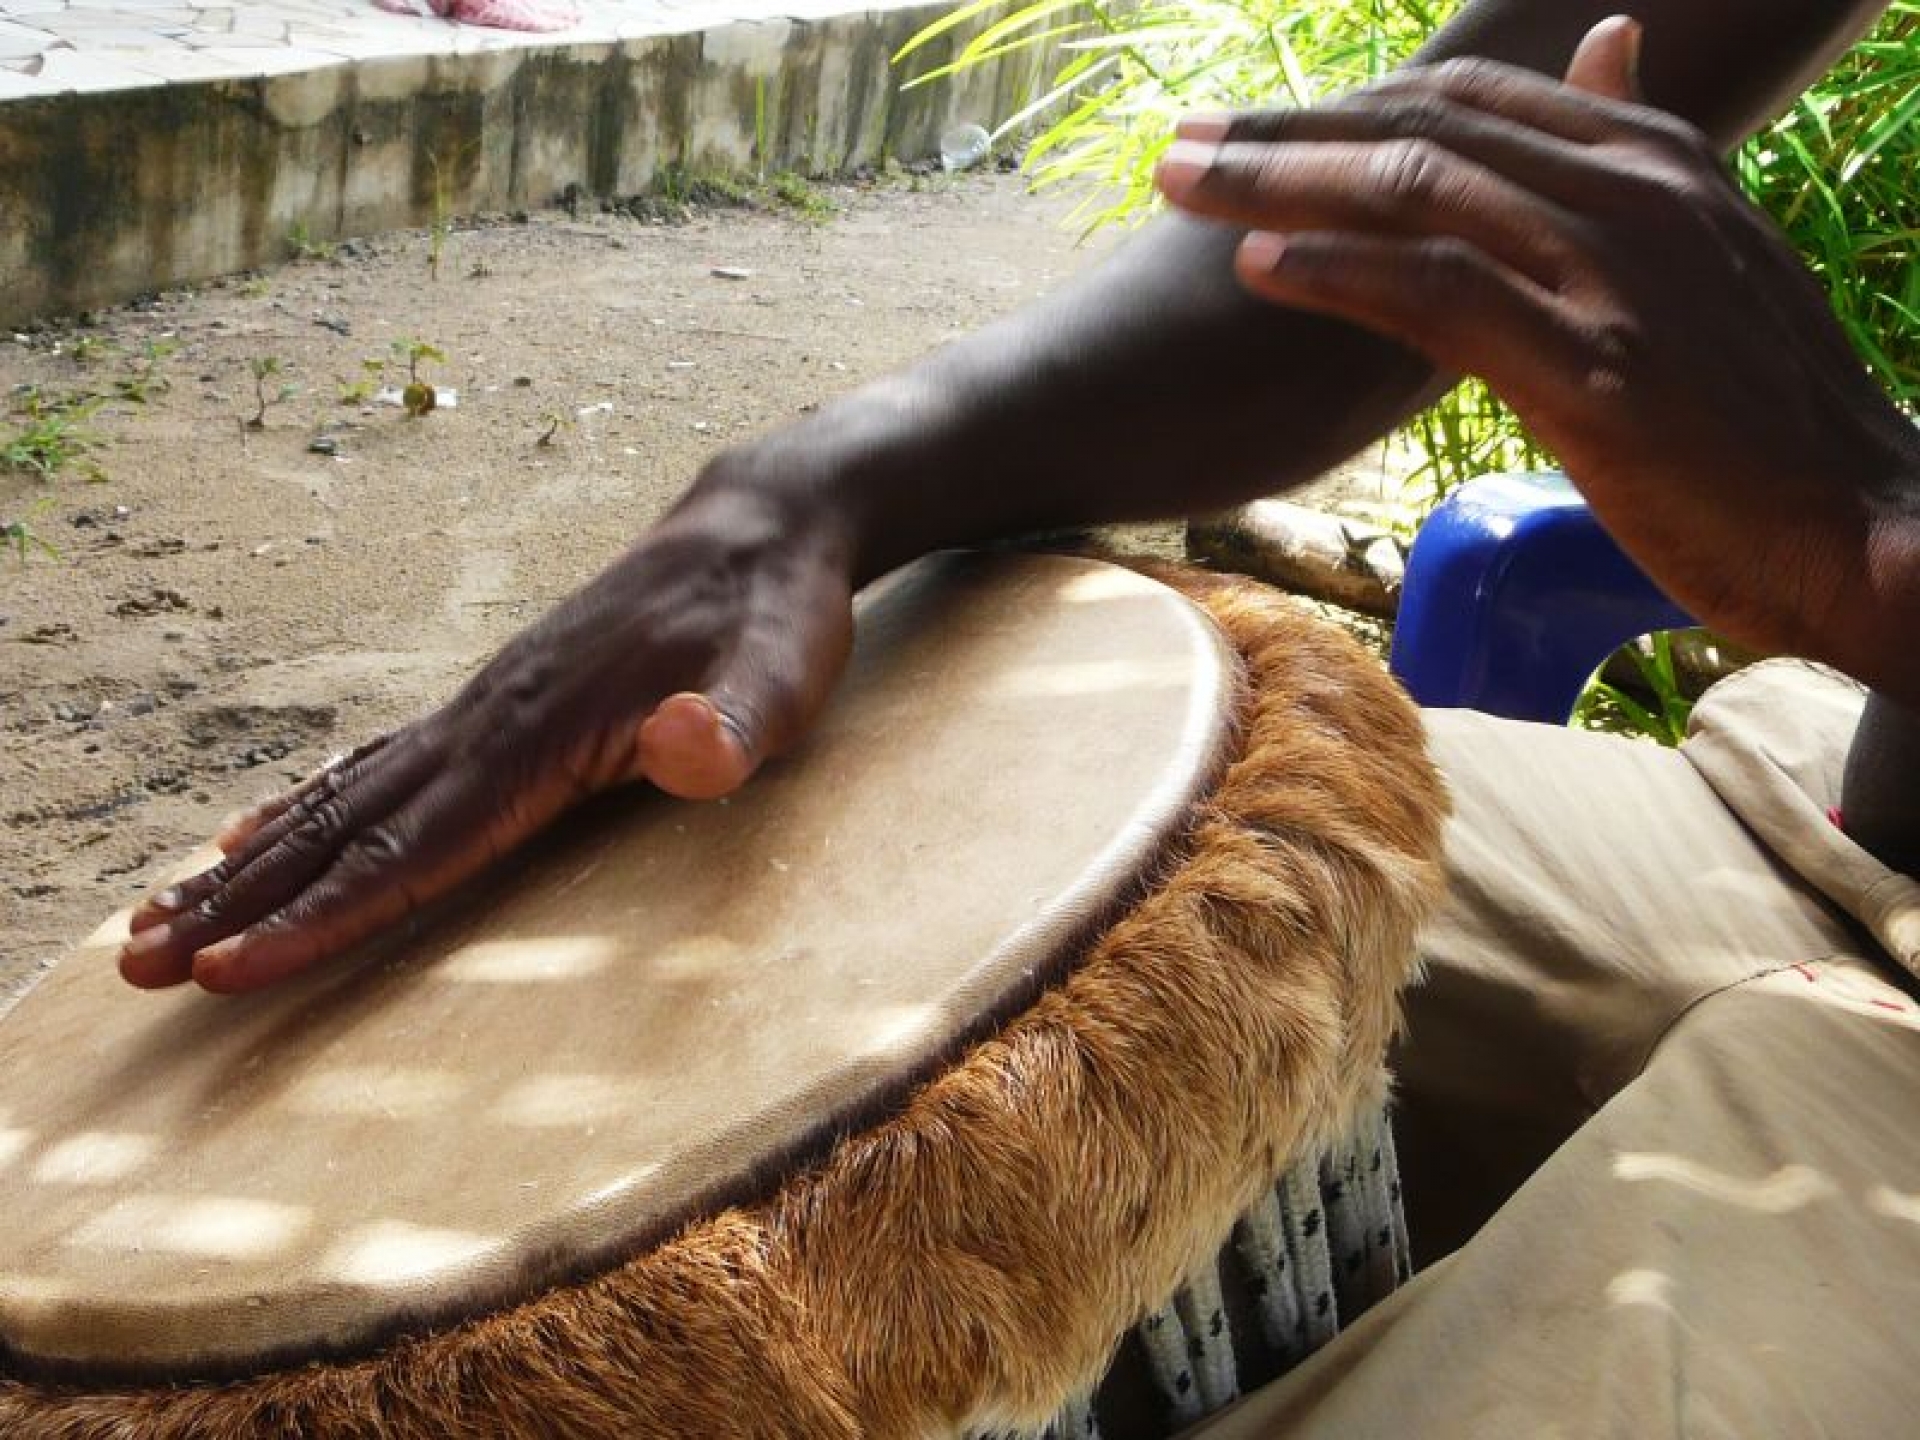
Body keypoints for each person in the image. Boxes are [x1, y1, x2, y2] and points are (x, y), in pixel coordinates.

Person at [110, 3, 1920, 1429]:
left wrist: (1870, 545)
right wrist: (816, 485)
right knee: (866, 875)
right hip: (1803, 823)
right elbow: (1420, 209)